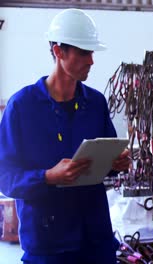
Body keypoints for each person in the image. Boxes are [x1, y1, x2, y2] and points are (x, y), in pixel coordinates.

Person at [0, 9, 130, 264]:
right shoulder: (22, 107)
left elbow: (106, 163)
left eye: (92, 53)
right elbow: (5, 177)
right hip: (49, 246)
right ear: (59, 52)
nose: (92, 61)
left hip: (96, 241)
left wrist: (116, 164)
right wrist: (47, 177)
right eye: (84, 52)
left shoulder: (95, 103)